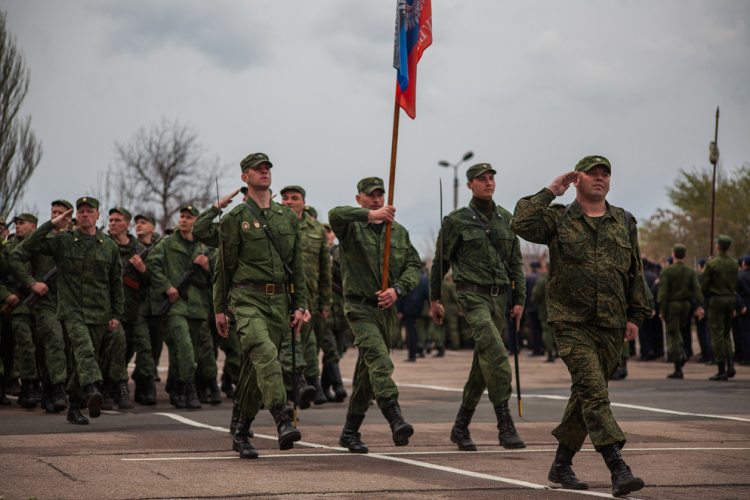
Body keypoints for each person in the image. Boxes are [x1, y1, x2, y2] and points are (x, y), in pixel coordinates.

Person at [511, 156, 651, 497]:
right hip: (572, 322)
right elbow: (520, 222)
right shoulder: (558, 216)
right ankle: (618, 466)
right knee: (594, 392)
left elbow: (634, 271)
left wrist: (636, 315)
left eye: (605, 174)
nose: (600, 179)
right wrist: (550, 190)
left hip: (612, 323)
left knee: (584, 396)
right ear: (578, 179)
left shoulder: (625, 220)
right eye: (592, 174)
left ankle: (561, 464)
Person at [214, 152, 308, 458]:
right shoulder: (234, 220)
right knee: (267, 355)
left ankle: (240, 433)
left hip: (279, 301)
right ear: (245, 177)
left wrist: (300, 304)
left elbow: (297, 265)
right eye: (258, 169)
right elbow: (224, 268)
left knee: (255, 371)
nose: (264, 172)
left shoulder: (287, 217)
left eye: (267, 168)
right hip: (246, 299)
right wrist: (219, 308)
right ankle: (282, 418)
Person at [429, 162, 526, 453]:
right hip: (471, 296)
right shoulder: (456, 220)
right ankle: (505, 425)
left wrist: (519, 300)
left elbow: (517, 265)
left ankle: (460, 428)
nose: (488, 182)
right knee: (496, 353)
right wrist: (434, 298)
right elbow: (440, 262)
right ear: (470, 185)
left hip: (499, 299)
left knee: (482, 366)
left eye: (491, 178)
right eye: (481, 179)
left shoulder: (506, 219)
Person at [329, 176, 420, 454]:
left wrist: (397, 289)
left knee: (367, 377)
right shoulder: (351, 228)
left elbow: (413, 266)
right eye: (370, 196)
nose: (376, 199)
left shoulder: (399, 232)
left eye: (380, 195)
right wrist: (371, 215)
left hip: (385, 312)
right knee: (380, 363)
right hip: (359, 308)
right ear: (359, 199)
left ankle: (349, 432)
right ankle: (395, 417)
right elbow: (334, 214)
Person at [20, 197, 124, 425]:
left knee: (85, 358)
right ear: (76, 216)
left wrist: (116, 313)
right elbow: (28, 245)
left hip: (98, 311)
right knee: (85, 350)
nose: (85, 214)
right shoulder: (64, 241)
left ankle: (74, 406)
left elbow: (116, 283)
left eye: (90, 211)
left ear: (98, 215)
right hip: (71, 309)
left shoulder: (109, 246)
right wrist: (52, 225)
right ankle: (93, 388)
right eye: (81, 211)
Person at [147, 205, 216, 408]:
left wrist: (207, 267)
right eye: (182, 217)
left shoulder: (205, 247)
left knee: (186, 352)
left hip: (197, 306)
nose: (184, 220)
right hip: (176, 305)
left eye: (189, 217)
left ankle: (177, 388)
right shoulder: (168, 243)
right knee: (184, 347)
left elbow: (217, 278)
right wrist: (166, 286)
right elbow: (152, 264)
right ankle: (189, 388)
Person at [7, 201, 72, 413]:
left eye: (61, 213)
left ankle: (48, 392)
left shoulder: (75, 240)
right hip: (46, 303)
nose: (57, 216)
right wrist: (31, 283)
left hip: (70, 304)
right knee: (53, 343)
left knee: (56, 350)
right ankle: (57, 391)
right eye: (53, 213)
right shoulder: (41, 240)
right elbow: (16, 257)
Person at [279, 185, 333, 406]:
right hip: (282, 297)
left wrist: (324, 301)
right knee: (290, 343)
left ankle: (308, 384)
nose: (289, 202)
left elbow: (324, 270)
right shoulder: (274, 225)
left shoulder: (317, 230)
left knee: (309, 344)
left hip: (309, 296)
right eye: (285, 198)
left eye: (294, 198)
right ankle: (297, 384)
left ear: (303, 202)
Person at [3, 213, 41, 408]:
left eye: (22, 223)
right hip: (17, 306)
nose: (17, 226)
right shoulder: (7, 249)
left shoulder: (42, 248)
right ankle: (27, 386)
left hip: (39, 307)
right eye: (16, 223)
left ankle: (38, 385)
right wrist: (6, 295)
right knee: (24, 346)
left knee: (40, 348)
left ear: (33, 226)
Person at [657, 244, 704, 379]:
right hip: (686, 305)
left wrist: (662, 310)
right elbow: (697, 290)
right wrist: (700, 305)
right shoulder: (690, 271)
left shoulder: (667, 271)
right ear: (685, 255)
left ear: (673, 255)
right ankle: (683, 351)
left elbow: (663, 293)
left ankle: (678, 363)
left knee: (672, 334)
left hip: (672, 306)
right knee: (682, 331)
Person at [701, 235, 739, 380]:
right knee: (726, 334)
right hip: (730, 299)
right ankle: (730, 364)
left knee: (716, 334)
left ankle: (721, 368)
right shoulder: (734, 263)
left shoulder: (712, 264)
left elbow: (704, 286)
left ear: (718, 246)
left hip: (716, 300)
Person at [737, 255, 750, 365]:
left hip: (744, 305)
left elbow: (735, 292)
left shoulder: (739, 276)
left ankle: (746, 357)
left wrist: (740, 305)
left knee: (745, 333)